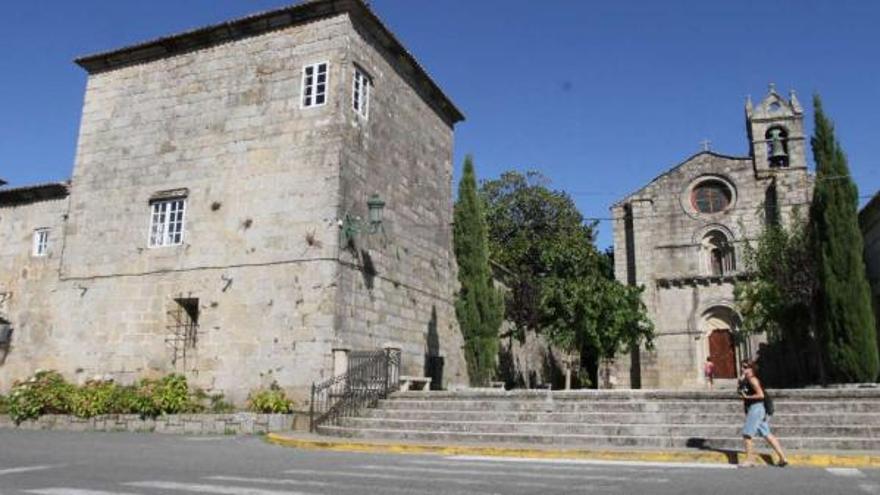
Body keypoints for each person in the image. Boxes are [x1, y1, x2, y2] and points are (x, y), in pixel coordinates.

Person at [738, 360, 788, 467]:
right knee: (767, 434)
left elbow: (761, 395)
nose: (743, 369)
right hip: (756, 409)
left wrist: (747, 397)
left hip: (756, 408)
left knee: (747, 434)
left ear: (752, 369)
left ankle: (750, 460)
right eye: (742, 366)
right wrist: (741, 381)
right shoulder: (747, 380)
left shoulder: (752, 380)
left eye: (745, 367)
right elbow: (741, 390)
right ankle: (783, 458)